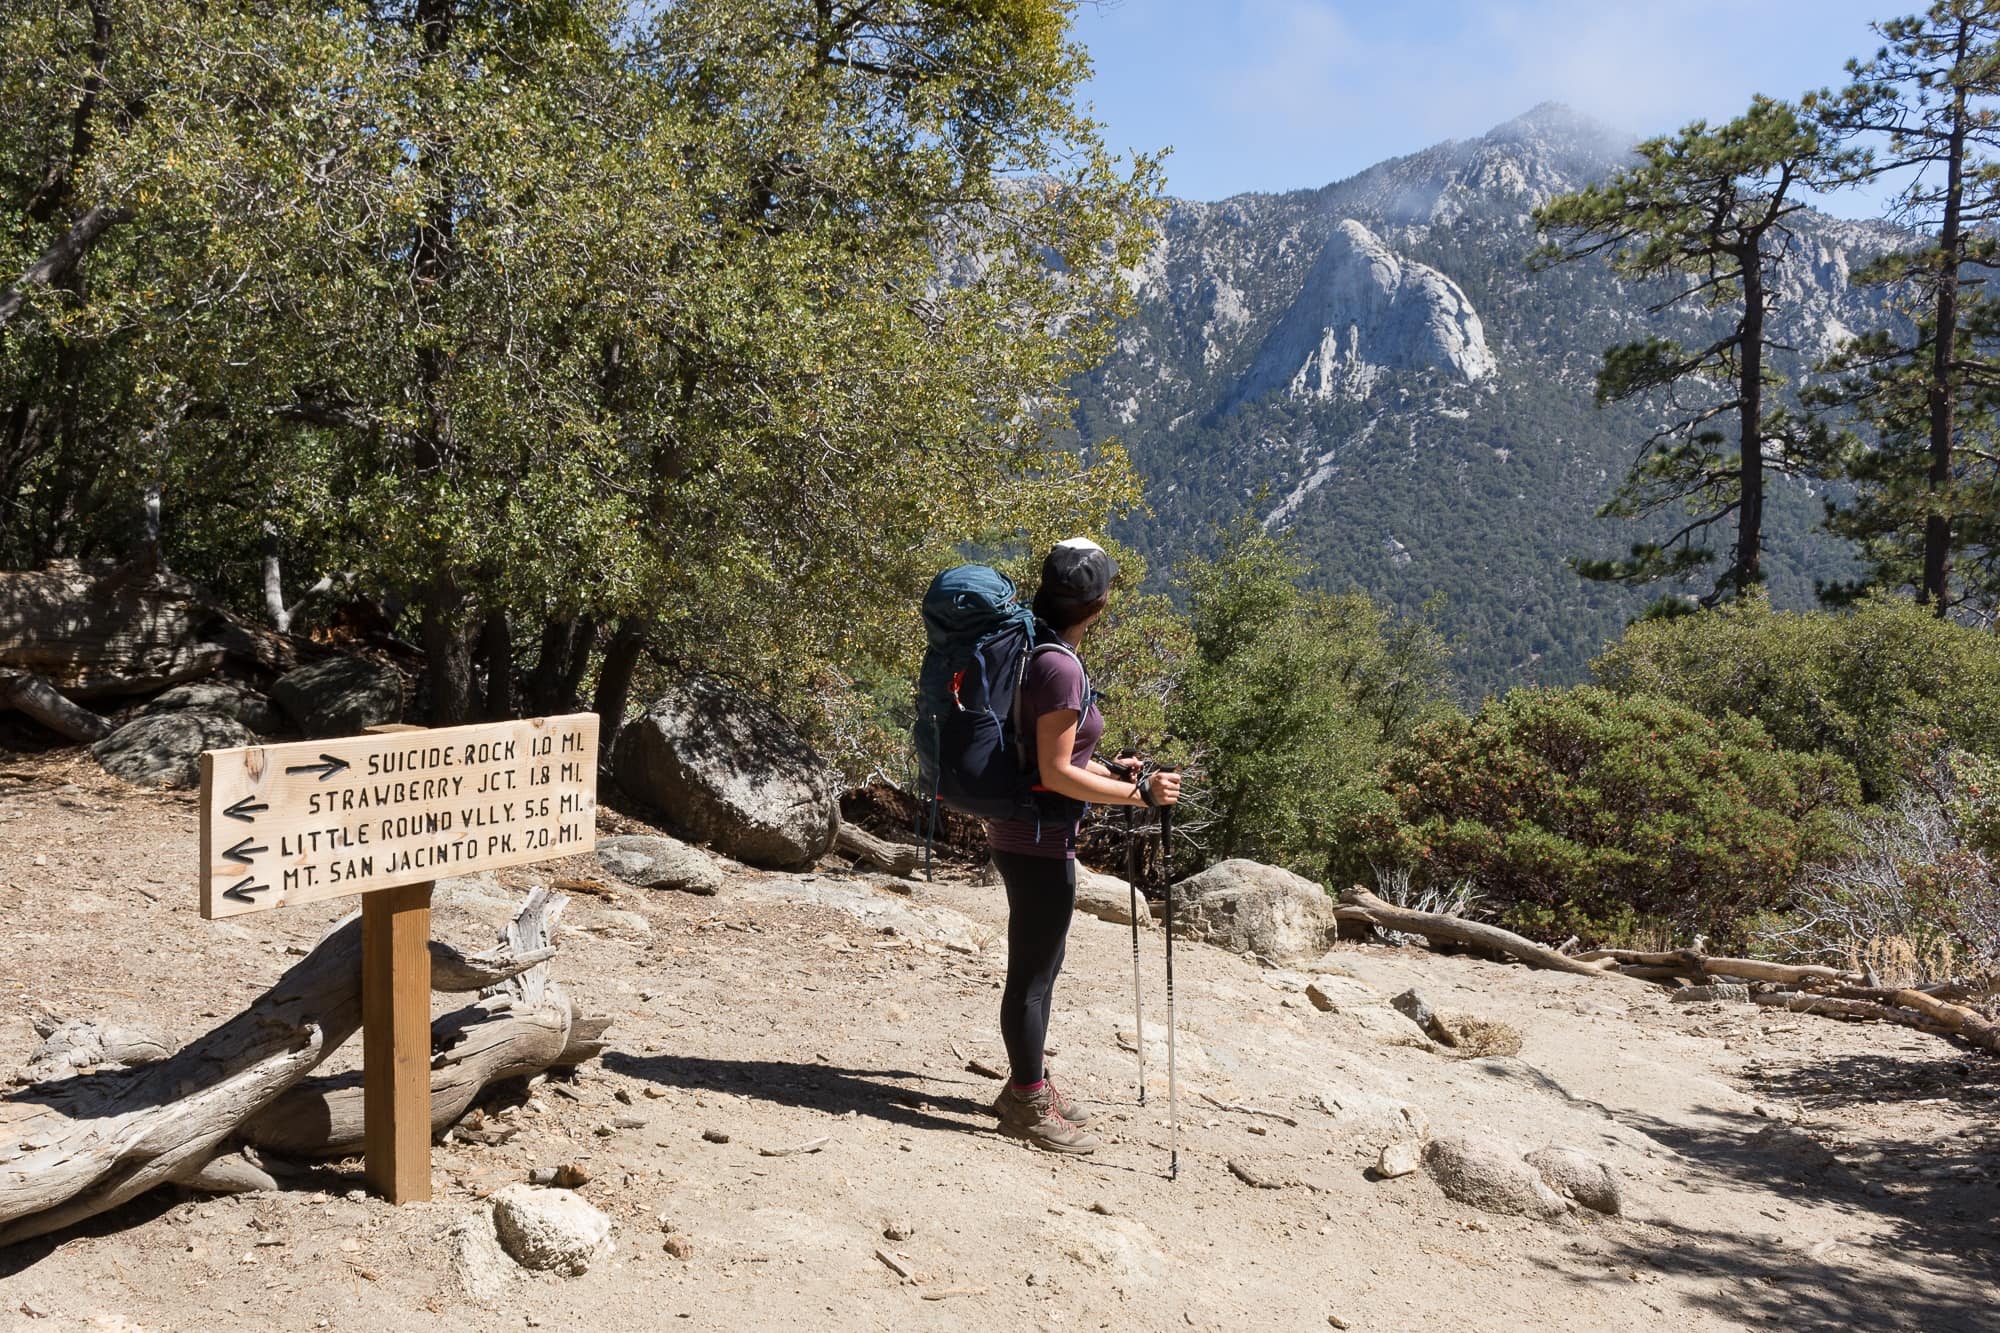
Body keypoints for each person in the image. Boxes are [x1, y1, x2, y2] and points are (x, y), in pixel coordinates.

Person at [987, 537, 1180, 1153]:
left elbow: (1053, 755)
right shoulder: (1061, 665)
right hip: (1039, 839)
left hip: (1022, 829)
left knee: (1040, 969)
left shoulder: (1030, 643)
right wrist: (1141, 794)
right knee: (1034, 977)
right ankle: (1024, 1100)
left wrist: (1111, 769)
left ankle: (1031, 1081)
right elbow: (1055, 772)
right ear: (1097, 605)